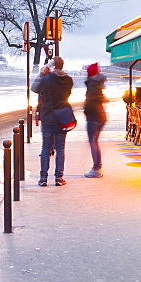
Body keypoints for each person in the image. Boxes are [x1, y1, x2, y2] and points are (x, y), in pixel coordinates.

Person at [31, 55, 73, 186]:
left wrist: (42, 73)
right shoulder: (68, 80)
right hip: (62, 116)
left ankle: (43, 178)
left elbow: (34, 89)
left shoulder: (46, 79)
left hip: (48, 115)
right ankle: (59, 178)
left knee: (46, 147)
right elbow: (67, 94)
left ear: (52, 66)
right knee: (60, 148)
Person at [83, 62, 107, 178]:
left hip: (94, 116)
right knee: (94, 142)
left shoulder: (93, 84)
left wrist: (86, 111)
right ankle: (97, 167)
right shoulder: (96, 83)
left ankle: (97, 168)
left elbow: (90, 102)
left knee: (93, 142)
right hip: (99, 115)